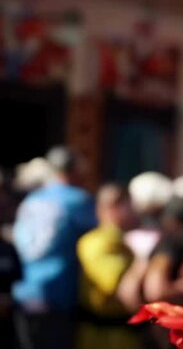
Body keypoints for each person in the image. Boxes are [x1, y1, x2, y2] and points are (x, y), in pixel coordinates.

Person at [12, 146, 97, 349]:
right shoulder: (78, 200)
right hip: (58, 295)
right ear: (75, 170)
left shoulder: (32, 199)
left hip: (24, 292)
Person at [75, 183, 141, 349]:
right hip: (104, 338)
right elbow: (119, 287)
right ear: (112, 207)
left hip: (124, 336)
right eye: (130, 205)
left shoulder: (123, 241)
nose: (135, 211)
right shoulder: (97, 243)